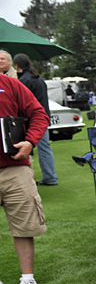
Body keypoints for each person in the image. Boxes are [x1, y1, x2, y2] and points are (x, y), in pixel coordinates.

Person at [0, 72, 49, 284]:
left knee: (25, 225)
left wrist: (30, 141)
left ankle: (27, 280)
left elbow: (39, 113)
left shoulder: (8, 83)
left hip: (14, 166)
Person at [12, 54, 57, 187]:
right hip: (43, 116)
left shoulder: (24, 81)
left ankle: (49, 177)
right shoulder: (38, 78)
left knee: (33, 148)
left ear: (17, 66)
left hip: (33, 120)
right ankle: (50, 175)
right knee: (45, 147)